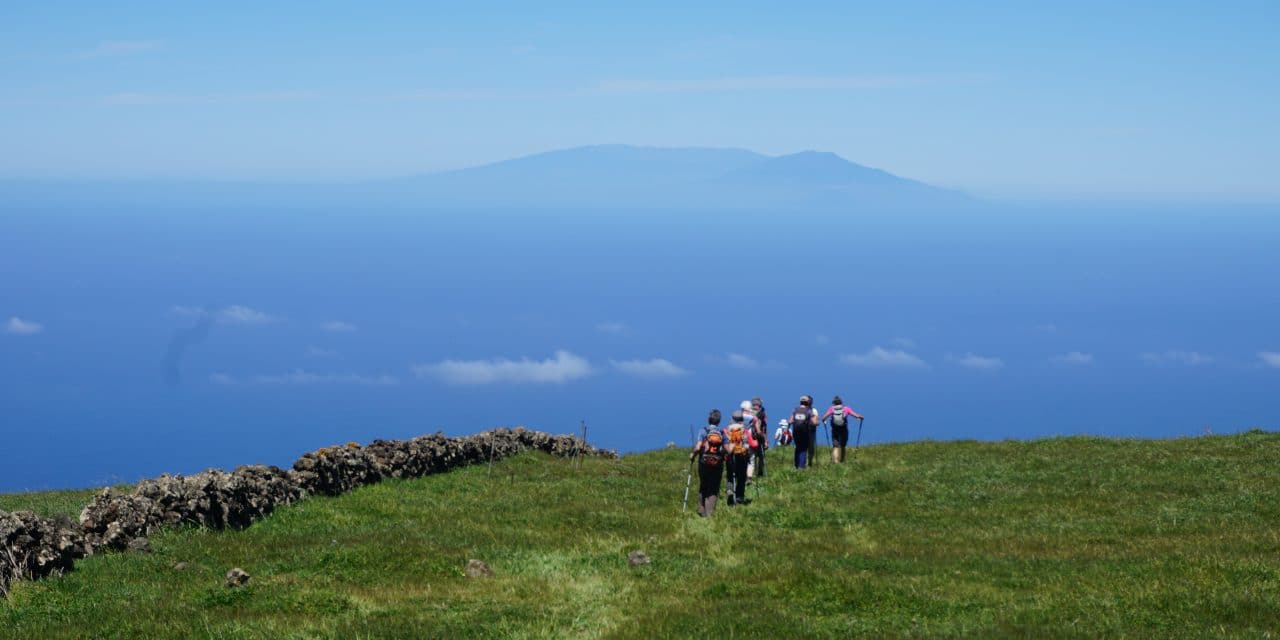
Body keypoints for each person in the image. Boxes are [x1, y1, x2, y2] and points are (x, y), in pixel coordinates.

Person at [690, 409, 726, 517]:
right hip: (717, 464)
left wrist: (693, 455)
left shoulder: (703, 430)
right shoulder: (722, 433)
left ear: (708, 419)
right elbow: (728, 449)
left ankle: (701, 511)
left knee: (703, 485)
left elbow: (697, 447)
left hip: (704, 463)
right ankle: (709, 515)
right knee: (713, 489)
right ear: (719, 421)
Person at [724, 409, 757, 505]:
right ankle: (739, 497)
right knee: (741, 478)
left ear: (732, 419)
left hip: (730, 457)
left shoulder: (726, 430)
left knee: (730, 476)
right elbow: (753, 445)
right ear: (742, 419)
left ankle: (730, 491)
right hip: (742, 457)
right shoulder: (744, 431)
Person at [823, 395, 865, 463]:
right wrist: (860, 417)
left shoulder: (831, 409)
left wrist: (824, 421)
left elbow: (823, 418)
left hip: (835, 429)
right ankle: (842, 461)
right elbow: (855, 415)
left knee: (835, 446)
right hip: (843, 429)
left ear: (833, 402)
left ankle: (836, 462)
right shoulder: (846, 409)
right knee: (843, 445)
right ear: (841, 402)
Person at [789, 397, 815, 469]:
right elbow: (814, 422)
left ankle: (796, 465)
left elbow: (790, 421)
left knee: (797, 447)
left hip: (796, 432)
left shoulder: (795, 410)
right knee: (803, 449)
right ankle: (801, 467)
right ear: (807, 403)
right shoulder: (809, 411)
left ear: (800, 402)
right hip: (805, 432)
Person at [750, 397, 768, 478]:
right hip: (759, 437)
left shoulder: (747, 413)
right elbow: (764, 428)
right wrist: (766, 440)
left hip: (749, 438)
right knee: (761, 456)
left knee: (751, 457)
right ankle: (760, 474)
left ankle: (749, 475)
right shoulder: (762, 414)